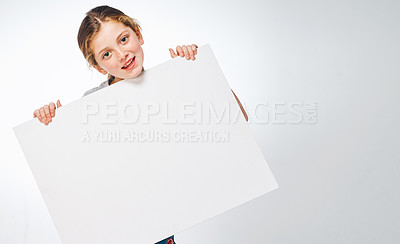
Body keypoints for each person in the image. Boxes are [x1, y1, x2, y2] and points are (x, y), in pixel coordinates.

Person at [32, 5, 248, 244]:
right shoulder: (90, 105)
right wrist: (48, 120)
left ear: (138, 34)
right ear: (98, 66)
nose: (121, 54)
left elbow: (237, 119)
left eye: (123, 39)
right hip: (116, 228)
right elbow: (75, 170)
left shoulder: (173, 83)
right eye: (106, 54)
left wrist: (200, 73)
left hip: (160, 229)